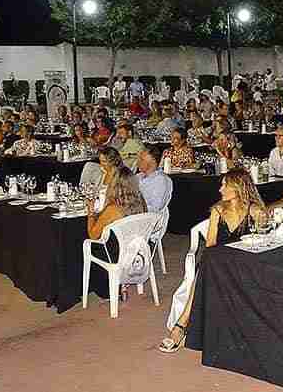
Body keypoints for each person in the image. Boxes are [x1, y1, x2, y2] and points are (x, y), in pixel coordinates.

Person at [160, 168, 266, 353]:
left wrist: (265, 218)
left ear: (238, 188)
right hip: (219, 262)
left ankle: (180, 328)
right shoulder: (218, 210)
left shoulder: (254, 211)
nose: (220, 189)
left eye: (225, 185)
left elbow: (262, 242)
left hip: (244, 263)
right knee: (207, 263)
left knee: (207, 265)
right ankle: (181, 325)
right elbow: (210, 244)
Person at [86, 157, 147, 241]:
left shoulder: (113, 209)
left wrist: (91, 213)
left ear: (115, 185)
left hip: (114, 251)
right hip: (136, 246)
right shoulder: (141, 201)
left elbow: (93, 235)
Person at [136, 146, 174, 212]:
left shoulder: (161, 180)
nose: (137, 162)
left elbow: (155, 208)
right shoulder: (138, 177)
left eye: (142, 159)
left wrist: (133, 207)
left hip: (147, 218)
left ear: (153, 161)